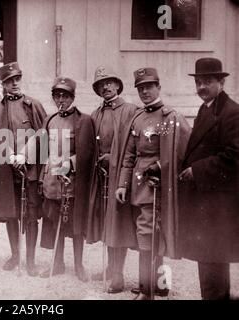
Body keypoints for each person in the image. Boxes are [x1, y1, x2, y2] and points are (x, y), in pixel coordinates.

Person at [115, 67, 191, 300]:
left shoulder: (171, 117)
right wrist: (122, 184)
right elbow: (129, 155)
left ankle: (147, 289)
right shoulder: (137, 118)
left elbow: (183, 152)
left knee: (150, 234)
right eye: (140, 88)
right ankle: (159, 284)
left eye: (149, 86)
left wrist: (161, 166)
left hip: (159, 184)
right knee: (149, 233)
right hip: (139, 186)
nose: (145, 91)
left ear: (159, 87)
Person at [179, 57, 239, 300]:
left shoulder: (231, 112)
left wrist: (197, 170)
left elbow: (235, 156)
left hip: (219, 202)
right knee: (212, 260)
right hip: (207, 199)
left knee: (212, 259)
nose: (202, 87)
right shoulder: (208, 109)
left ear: (221, 82)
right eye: (199, 82)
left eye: (207, 82)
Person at [24, 76, 95, 282]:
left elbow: (87, 152)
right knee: (54, 222)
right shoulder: (49, 120)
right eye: (57, 96)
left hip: (71, 182)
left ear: (72, 97)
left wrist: (71, 164)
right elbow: (43, 151)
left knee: (75, 224)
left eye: (65, 95)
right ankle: (58, 263)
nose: (61, 99)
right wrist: (40, 177)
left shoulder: (83, 120)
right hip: (51, 183)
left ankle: (79, 265)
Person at [0, 62, 46, 276]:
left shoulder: (33, 105)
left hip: (29, 172)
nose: (14, 83)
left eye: (17, 79)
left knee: (31, 215)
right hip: (7, 172)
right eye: (9, 81)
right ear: (3, 84)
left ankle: (30, 260)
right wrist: (9, 154)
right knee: (11, 214)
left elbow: (44, 136)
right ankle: (15, 254)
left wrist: (25, 155)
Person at [87, 66, 138, 293]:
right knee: (107, 222)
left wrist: (113, 158)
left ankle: (118, 274)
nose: (105, 87)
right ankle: (111, 266)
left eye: (109, 82)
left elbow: (133, 146)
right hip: (101, 177)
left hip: (120, 177)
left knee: (119, 222)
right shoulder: (95, 114)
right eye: (101, 84)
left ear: (117, 85)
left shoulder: (130, 110)